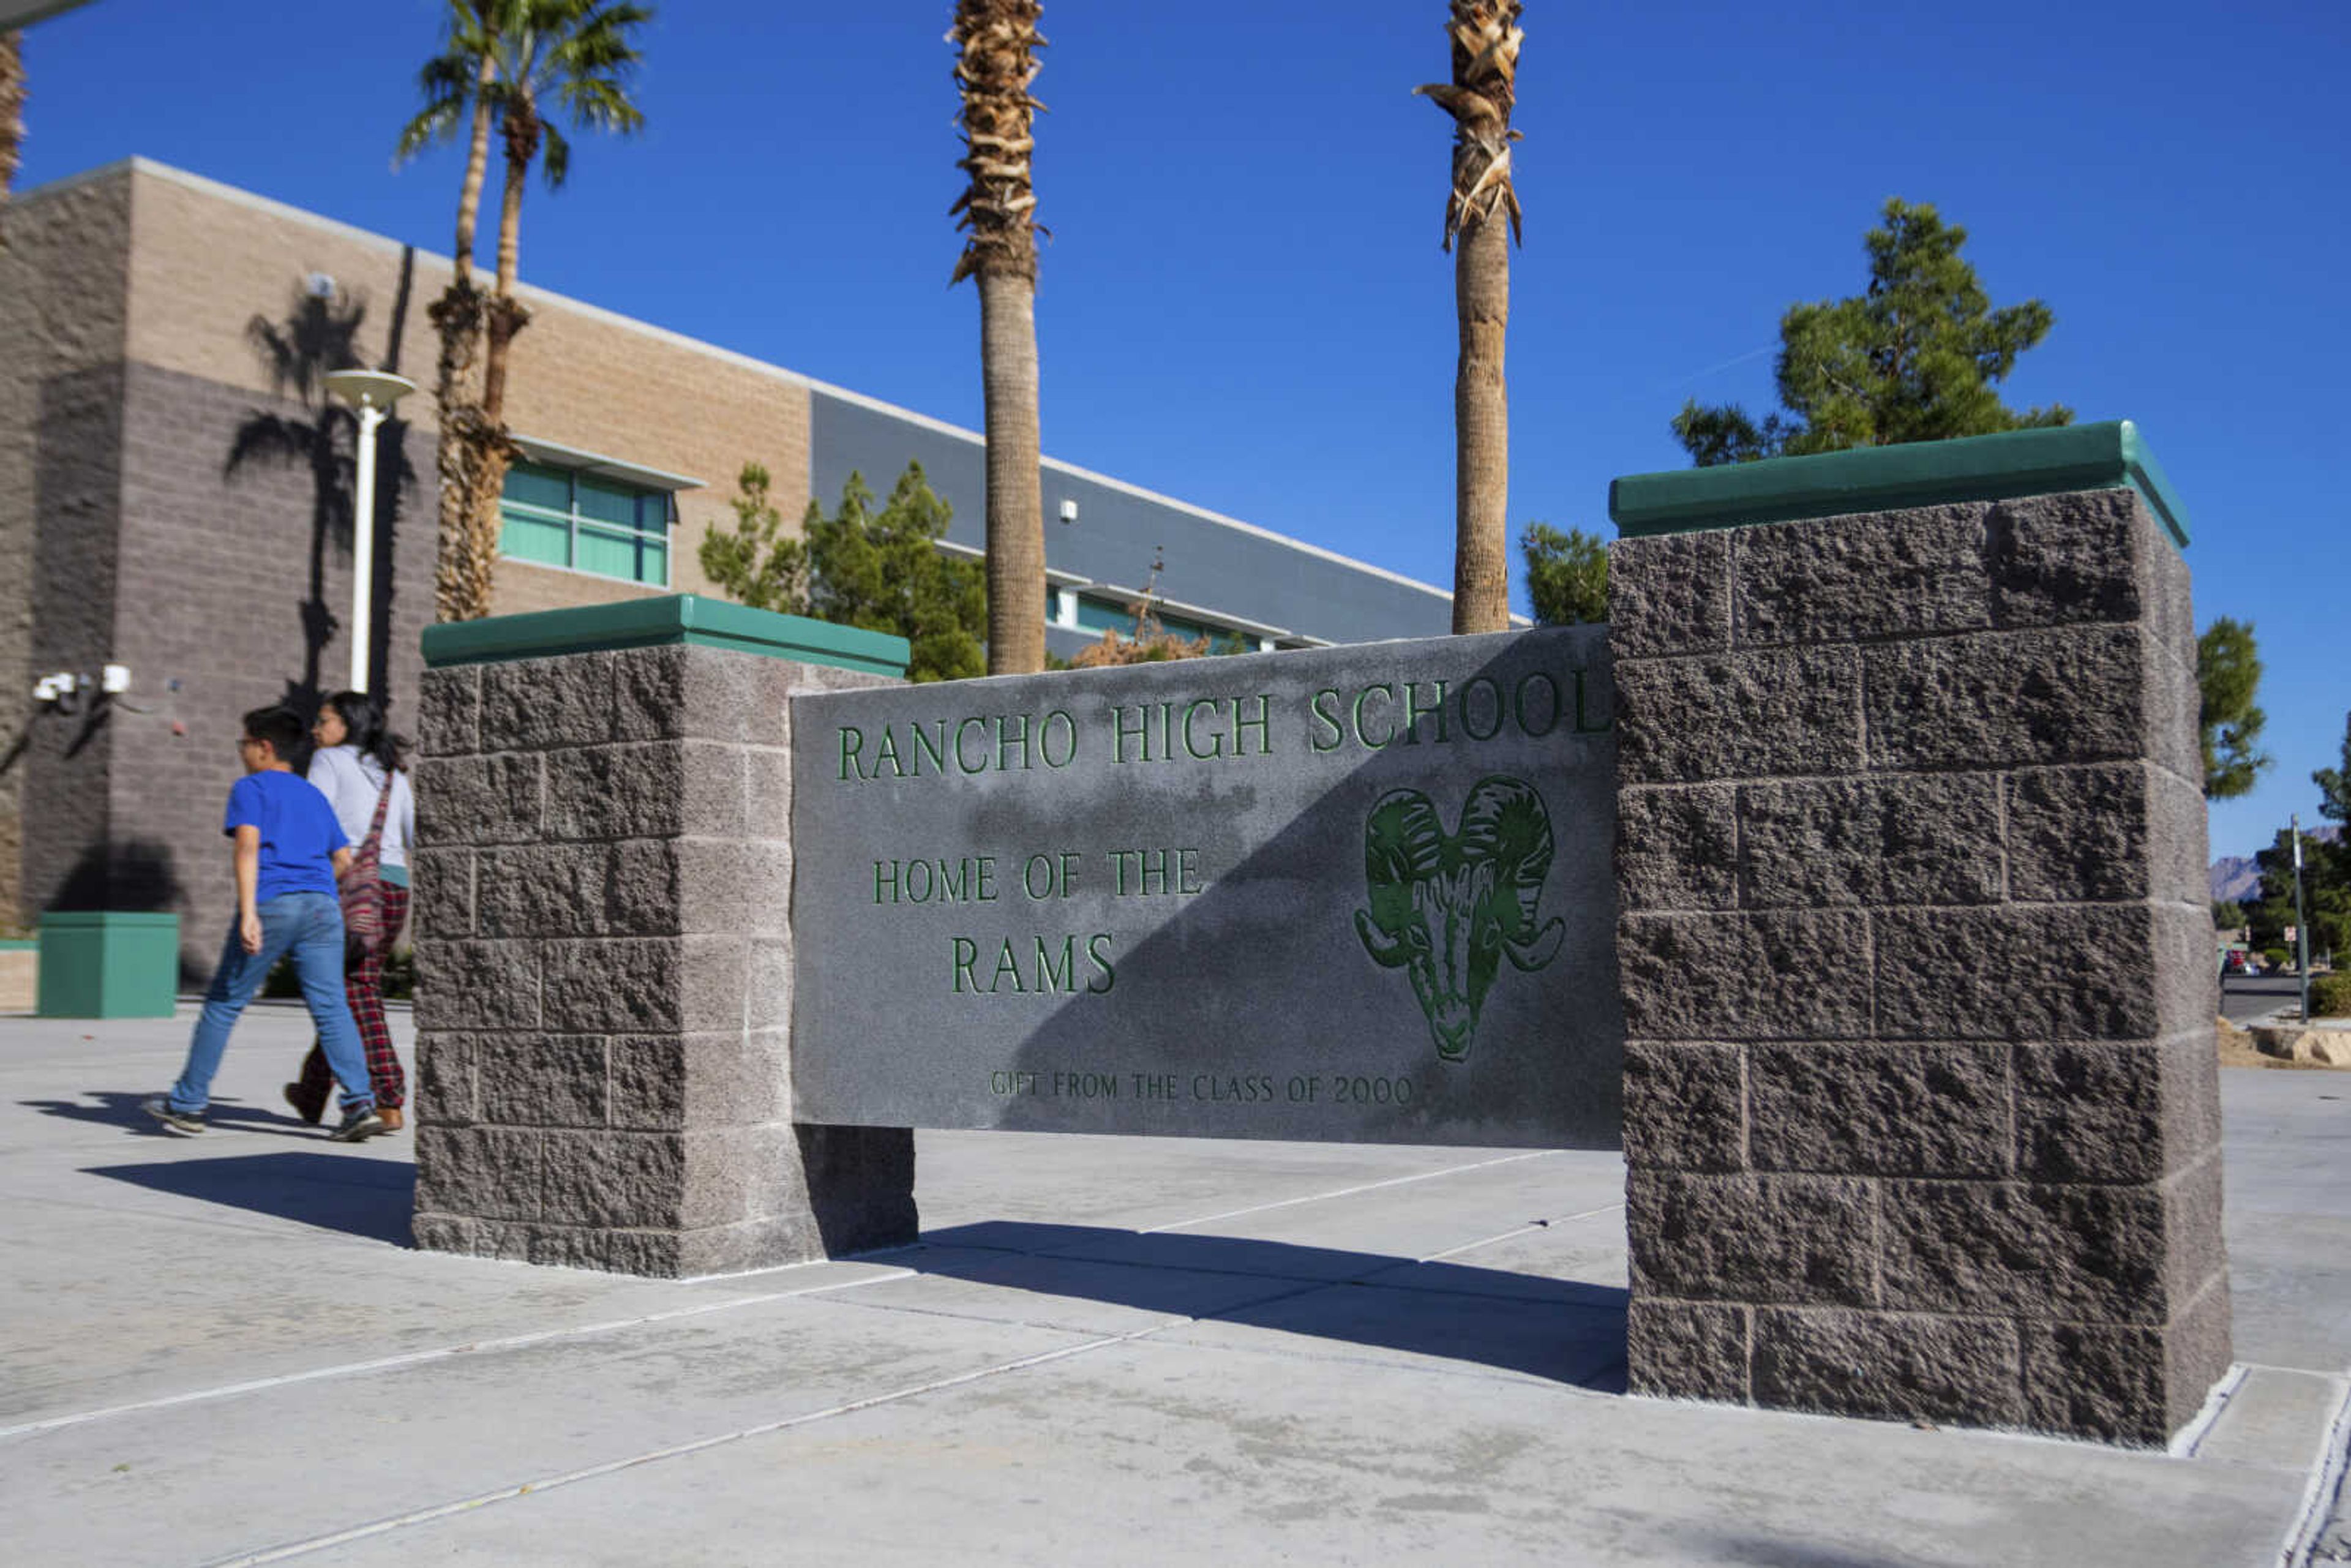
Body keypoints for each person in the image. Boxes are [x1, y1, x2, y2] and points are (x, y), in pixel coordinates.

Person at [145, 705, 384, 1141]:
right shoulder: (313, 795)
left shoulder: (251, 788)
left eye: (245, 744)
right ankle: (360, 1104)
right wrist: (313, 889)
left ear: (264, 746)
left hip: (273, 903)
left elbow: (248, 848)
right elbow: (344, 859)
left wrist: (250, 912)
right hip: (321, 907)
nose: (242, 752)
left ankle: (188, 1104)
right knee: (331, 1007)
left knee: (223, 1003)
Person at [284, 690, 416, 1133]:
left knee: (354, 988)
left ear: (347, 724)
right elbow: (412, 834)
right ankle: (311, 1090)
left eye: (324, 720)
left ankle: (388, 1096)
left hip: (350, 883)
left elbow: (311, 819)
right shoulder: (393, 771)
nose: (316, 730)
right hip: (394, 886)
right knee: (343, 988)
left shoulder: (330, 760)